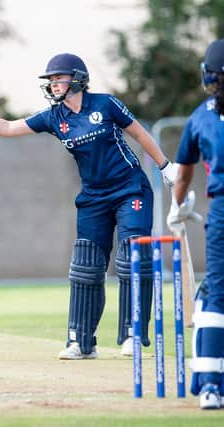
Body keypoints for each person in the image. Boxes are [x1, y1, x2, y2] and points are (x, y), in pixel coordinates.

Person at [0, 53, 178, 360]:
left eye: (59, 79)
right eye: (51, 81)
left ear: (77, 79)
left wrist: (164, 166)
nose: (54, 85)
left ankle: (133, 334)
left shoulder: (105, 104)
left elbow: (138, 132)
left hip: (129, 188)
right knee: (86, 265)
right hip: (94, 197)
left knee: (132, 255)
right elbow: (9, 127)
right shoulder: (54, 117)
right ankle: (81, 341)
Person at [167, 38, 224, 410]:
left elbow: (184, 176)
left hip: (221, 210)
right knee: (212, 295)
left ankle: (209, 387)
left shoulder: (201, 116)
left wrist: (179, 205)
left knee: (216, 296)